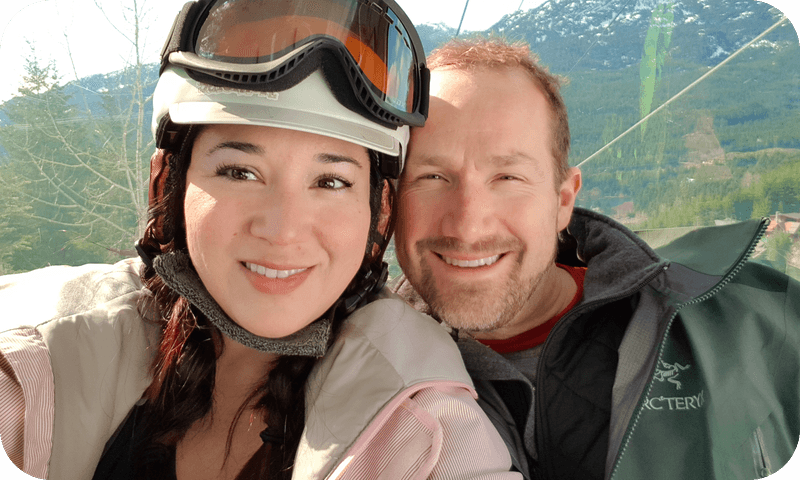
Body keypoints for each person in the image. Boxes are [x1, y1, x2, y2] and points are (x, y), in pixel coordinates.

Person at [0, 2, 520, 479]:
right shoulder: (39, 362)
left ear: (377, 212)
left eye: (331, 181)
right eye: (240, 172)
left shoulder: (428, 434)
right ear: (168, 184)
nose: (282, 229)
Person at [391, 36, 800, 480]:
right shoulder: (357, 373)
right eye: (431, 176)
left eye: (508, 176)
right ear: (390, 200)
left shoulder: (757, 320)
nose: (468, 226)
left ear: (563, 199)